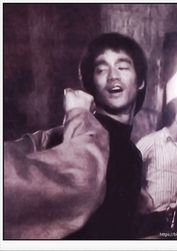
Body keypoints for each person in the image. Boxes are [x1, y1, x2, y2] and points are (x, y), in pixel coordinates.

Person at [4, 32, 148, 240]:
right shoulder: (76, 141)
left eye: (123, 67)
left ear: (141, 81)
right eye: (101, 69)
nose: (112, 76)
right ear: (90, 86)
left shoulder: (131, 152)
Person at [135, 97, 177, 237]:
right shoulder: (152, 141)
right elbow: (125, 167)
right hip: (151, 220)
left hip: (175, 222)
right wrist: (142, 195)